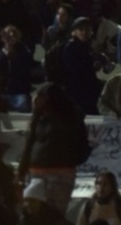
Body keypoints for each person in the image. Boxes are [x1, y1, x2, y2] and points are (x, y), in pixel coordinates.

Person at [17, 83, 90, 215]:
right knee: (31, 214)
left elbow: (80, 145)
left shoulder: (70, 119)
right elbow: (29, 144)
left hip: (59, 174)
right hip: (36, 172)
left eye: (39, 96)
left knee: (53, 215)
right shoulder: (39, 117)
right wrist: (21, 172)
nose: (34, 99)